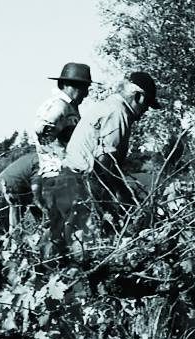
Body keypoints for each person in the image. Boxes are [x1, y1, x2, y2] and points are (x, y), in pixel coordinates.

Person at [44, 71, 160, 253]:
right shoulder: (118, 114)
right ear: (138, 96)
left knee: (64, 245)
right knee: (86, 247)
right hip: (79, 184)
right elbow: (104, 165)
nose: (146, 110)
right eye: (146, 104)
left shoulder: (110, 106)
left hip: (70, 180)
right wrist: (116, 205)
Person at [0, 63, 93, 234]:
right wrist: (59, 157)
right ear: (68, 86)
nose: (86, 93)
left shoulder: (70, 108)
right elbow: (42, 131)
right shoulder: (59, 106)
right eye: (83, 87)